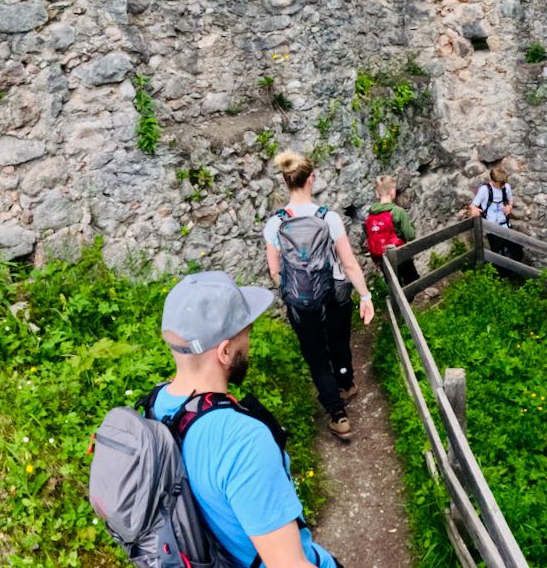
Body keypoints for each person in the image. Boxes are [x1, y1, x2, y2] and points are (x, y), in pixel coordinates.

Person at [152, 270, 344, 568]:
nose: (249, 345)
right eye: (247, 334)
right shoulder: (241, 440)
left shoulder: (157, 404)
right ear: (225, 352)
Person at [263, 151, 374, 441]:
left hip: (300, 301)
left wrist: (295, 290)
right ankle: (346, 382)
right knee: (338, 342)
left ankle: (338, 415)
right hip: (335, 294)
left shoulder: (275, 223)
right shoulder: (329, 218)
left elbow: (274, 270)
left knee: (315, 356)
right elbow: (349, 263)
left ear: (286, 182)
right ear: (311, 179)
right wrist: (365, 296)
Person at [364, 174, 420, 285]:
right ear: (393, 192)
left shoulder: (370, 215)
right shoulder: (398, 211)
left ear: (377, 193)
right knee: (413, 283)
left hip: (382, 259)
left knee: (394, 287)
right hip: (401, 255)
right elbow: (410, 235)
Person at [469, 167, 523, 263]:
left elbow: (510, 201)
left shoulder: (506, 187)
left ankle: (510, 273)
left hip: (505, 225)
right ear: (493, 181)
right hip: (492, 228)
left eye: (504, 183)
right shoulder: (484, 190)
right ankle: (500, 274)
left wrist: (509, 207)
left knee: (517, 252)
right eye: (501, 183)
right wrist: (474, 210)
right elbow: (473, 205)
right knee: (498, 254)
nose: (503, 185)